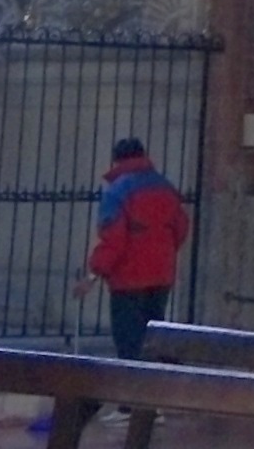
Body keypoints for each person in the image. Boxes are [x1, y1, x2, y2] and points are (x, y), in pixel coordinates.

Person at [85, 135, 189, 359]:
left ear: (117, 161)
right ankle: (160, 383)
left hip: (128, 276)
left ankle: (132, 386)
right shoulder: (165, 187)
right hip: (162, 272)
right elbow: (180, 227)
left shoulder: (117, 191)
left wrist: (95, 272)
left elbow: (113, 238)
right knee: (155, 334)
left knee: (129, 341)